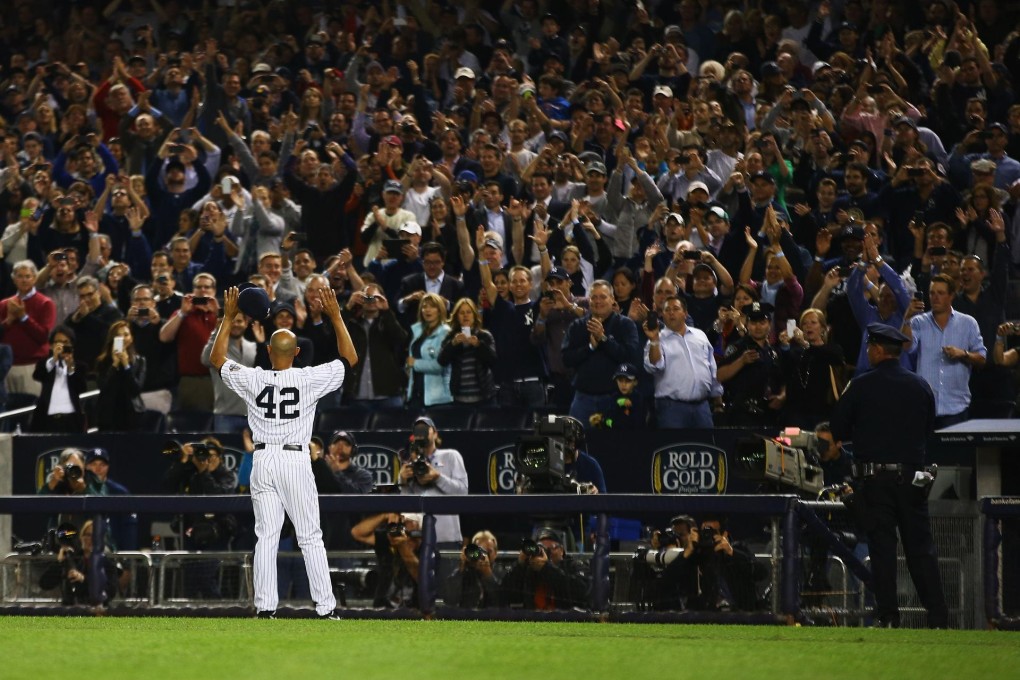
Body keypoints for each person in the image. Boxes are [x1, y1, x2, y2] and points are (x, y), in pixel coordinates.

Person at [209, 283, 357, 620]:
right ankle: (324, 608)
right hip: (293, 458)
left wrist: (228, 317)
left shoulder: (254, 378)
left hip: (262, 458)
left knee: (266, 537)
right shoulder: (308, 378)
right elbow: (350, 359)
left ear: (270, 353)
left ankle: (265, 608)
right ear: (296, 353)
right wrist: (335, 317)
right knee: (309, 536)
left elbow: (217, 359)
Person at [830, 323, 949, 629]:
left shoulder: (861, 385)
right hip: (912, 479)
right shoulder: (920, 385)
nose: (868, 352)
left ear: (879, 350)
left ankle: (889, 618)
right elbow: (928, 430)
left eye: (870, 347)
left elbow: (838, 430)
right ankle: (937, 618)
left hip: (875, 480)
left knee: (882, 550)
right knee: (920, 549)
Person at [902, 274, 986, 429]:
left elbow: (981, 359)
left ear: (951, 296)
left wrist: (963, 354)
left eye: (940, 293)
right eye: (932, 293)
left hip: (956, 408)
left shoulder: (968, 323)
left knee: (955, 454)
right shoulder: (918, 322)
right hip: (925, 408)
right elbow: (906, 347)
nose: (935, 298)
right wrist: (907, 318)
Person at [643, 295, 723, 428]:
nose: (671, 313)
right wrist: (654, 340)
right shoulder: (656, 340)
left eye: (675, 309)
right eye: (667, 310)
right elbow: (654, 367)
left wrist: (718, 402)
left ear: (685, 313)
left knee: (706, 446)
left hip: (702, 406)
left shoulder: (700, 335)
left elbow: (712, 368)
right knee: (674, 446)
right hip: (671, 408)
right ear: (662, 315)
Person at [398, 416, 469, 552]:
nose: (421, 432)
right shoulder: (409, 465)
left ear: (435, 433)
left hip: (447, 539)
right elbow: (406, 507)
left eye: (424, 428)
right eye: (417, 430)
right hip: (417, 540)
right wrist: (403, 481)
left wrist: (437, 478)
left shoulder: (450, 456)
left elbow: (463, 493)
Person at [1, 260, 56, 396]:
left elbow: (43, 336)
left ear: (34, 278)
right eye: (20, 276)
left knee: (32, 411)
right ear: (14, 279)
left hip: (33, 366)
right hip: (7, 367)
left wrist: (23, 317)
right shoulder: (3, 304)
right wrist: (9, 321)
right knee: (8, 414)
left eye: (27, 276)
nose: (24, 280)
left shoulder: (45, 303)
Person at [437, 297, 497, 406]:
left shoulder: (484, 336)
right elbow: (441, 361)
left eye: (469, 312)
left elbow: (493, 361)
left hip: (484, 397)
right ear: (457, 317)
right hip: (459, 398)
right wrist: (453, 344)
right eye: (462, 313)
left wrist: (479, 345)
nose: (465, 315)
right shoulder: (450, 337)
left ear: (474, 315)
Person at [29, 326, 87, 433]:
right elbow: (37, 375)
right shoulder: (46, 364)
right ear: (51, 346)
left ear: (72, 346)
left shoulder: (79, 366)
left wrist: (70, 367)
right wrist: (54, 359)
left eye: (66, 342)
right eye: (58, 342)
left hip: (71, 419)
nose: (62, 345)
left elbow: (81, 387)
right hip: (46, 419)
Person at [95, 320, 147, 431]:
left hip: (131, 415)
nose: (123, 338)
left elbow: (136, 389)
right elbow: (102, 386)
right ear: (112, 339)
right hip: (108, 415)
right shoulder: (103, 361)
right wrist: (114, 365)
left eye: (126, 335)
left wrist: (126, 365)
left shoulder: (140, 361)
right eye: (118, 335)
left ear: (131, 338)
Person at [405, 292, 453, 409]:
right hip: (415, 395)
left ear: (440, 310)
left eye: (432, 306)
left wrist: (415, 363)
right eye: (424, 306)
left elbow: (439, 365)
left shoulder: (445, 332)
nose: (428, 310)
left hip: (437, 399)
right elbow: (410, 358)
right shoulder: (417, 331)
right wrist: (408, 367)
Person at [444, 530, 502, 610]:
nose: (484, 555)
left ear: (496, 554)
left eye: (488, 551)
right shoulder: (465, 572)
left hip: (492, 618)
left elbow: (501, 601)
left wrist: (488, 575)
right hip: (468, 618)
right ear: (473, 551)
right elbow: (450, 600)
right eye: (481, 551)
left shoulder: (501, 572)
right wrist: (461, 568)